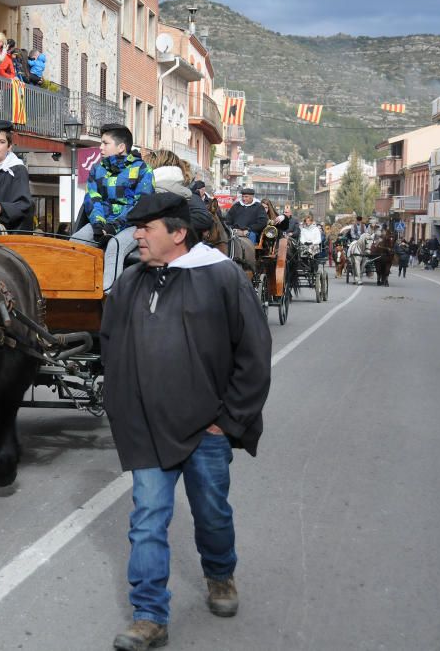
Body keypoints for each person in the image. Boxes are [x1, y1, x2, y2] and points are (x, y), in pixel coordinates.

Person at [100, 192, 272, 651]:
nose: (137, 234)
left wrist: (228, 420)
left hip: (206, 430)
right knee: (148, 520)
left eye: (147, 228)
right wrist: (122, 408)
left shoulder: (222, 277)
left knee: (211, 514)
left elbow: (253, 355)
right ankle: (150, 615)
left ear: (177, 233)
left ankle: (220, 574)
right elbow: (111, 346)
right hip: (146, 429)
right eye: (137, 227)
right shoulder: (130, 282)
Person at [71, 123, 154, 292]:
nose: (100, 147)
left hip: (133, 225)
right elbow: (93, 198)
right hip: (102, 223)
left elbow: (141, 204)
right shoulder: (97, 169)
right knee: (75, 243)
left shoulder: (143, 169)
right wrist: (98, 224)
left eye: (105, 143)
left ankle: (108, 297)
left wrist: (114, 226)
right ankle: (77, 292)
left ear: (121, 147)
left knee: (115, 246)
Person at [145, 148, 213, 238]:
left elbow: (203, 219)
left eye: (147, 167)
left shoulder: (187, 195)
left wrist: (163, 222)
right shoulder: (146, 190)